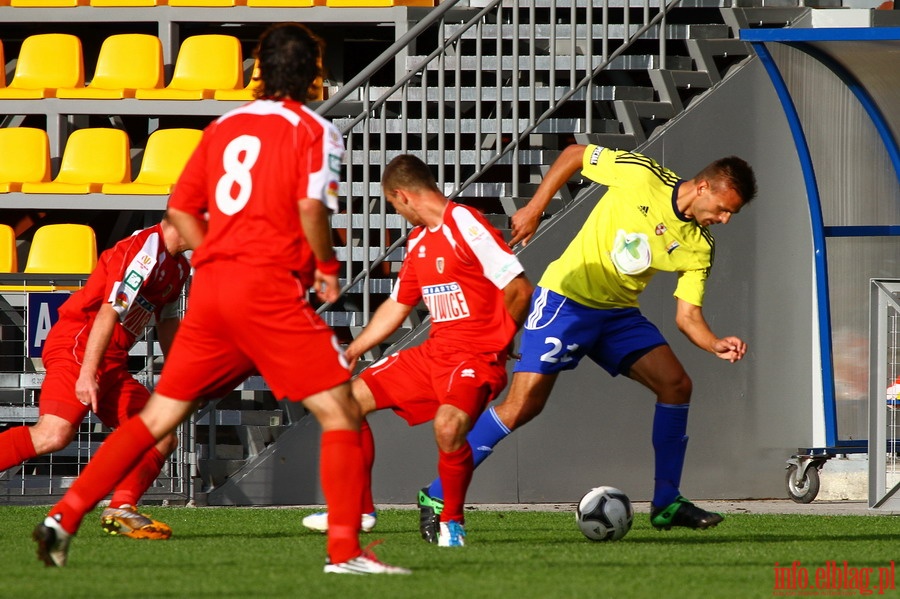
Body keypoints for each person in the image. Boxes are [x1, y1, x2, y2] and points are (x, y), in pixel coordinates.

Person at [32, 22, 409, 575]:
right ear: (312, 74)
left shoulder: (226, 126)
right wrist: (327, 267)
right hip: (269, 292)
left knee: (157, 417)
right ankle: (346, 552)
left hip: (213, 293)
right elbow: (311, 210)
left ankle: (64, 516)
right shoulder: (316, 131)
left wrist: (214, 256)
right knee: (342, 411)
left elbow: (181, 210)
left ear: (260, 70)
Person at [417, 144, 757, 540]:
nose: (725, 219)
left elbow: (688, 316)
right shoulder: (640, 174)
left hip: (617, 315)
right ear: (702, 188)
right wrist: (535, 207)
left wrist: (713, 342)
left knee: (677, 385)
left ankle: (666, 502)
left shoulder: (700, 246)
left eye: (732, 213)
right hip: (566, 301)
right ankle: (437, 495)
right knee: (522, 406)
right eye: (723, 208)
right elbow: (575, 154)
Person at [301, 154, 533, 547]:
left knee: (448, 426)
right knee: (344, 402)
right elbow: (397, 304)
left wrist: (498, 340)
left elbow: (519, 289)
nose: (397, 212)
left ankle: (452, 523)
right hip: (434, 354)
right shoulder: (419, 240)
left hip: (475, 357)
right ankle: (358, 509)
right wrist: (354, 348)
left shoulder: (465, 223)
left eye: (393, 205)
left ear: (403, 196)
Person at [0, 217, 190, 540]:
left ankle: (122, 508)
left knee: (163, 436)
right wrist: (88, 372)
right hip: (79, 344)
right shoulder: (144, 250)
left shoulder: (179, 269)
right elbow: (108, 311)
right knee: (53, 434)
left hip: (110, 360)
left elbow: (168, 324)